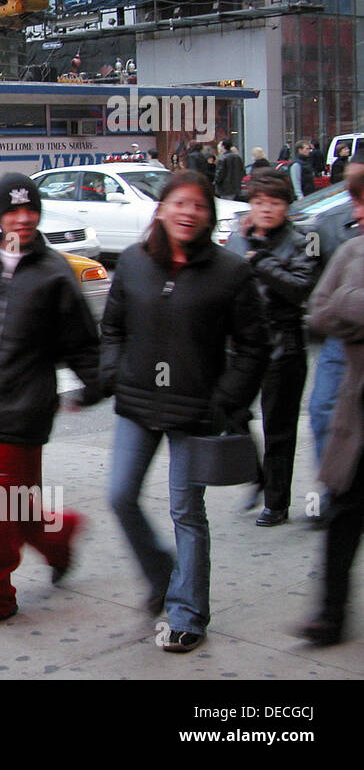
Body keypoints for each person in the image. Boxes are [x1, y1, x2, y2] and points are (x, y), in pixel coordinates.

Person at [102, 170, 267, 653]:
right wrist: (113, 370)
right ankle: (162, 573)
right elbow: (112, 327)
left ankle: (188, 613)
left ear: (209, 215)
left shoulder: (231, 272)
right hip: (137, 403)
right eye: (180, 203)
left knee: (186, 513)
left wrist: (226, 400)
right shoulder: (133, 263)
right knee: (119, 496)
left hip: (197, 410)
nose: (188, 212)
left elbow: (254, 346)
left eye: (199, 205)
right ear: (160, 210)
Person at [0, 174, 102, 629]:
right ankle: (59, 533)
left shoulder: (55, 273)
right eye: (13, 210)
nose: (23, 218)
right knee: (15, 505)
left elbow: (82, 342)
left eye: (30, 209)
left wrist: (93, 385)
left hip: (22, 411)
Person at [225, 171, 320, 527]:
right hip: (243, 345)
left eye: (275, 203)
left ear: (287, 207)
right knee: (226, 409)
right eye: (259, 202)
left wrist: (261, 260)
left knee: (279, 428)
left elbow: (300, 288)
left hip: (285, 344)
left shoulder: (303, 240)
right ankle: (258, 474)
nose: (266, 209)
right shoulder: (239, 238)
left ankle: (277, 502)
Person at [301, 167, 364, 645]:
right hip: (357, 413)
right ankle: (329, 615)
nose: (355, 213)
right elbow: (319, 312)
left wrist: (348, 307)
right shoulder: (349, 252)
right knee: (342, 517)